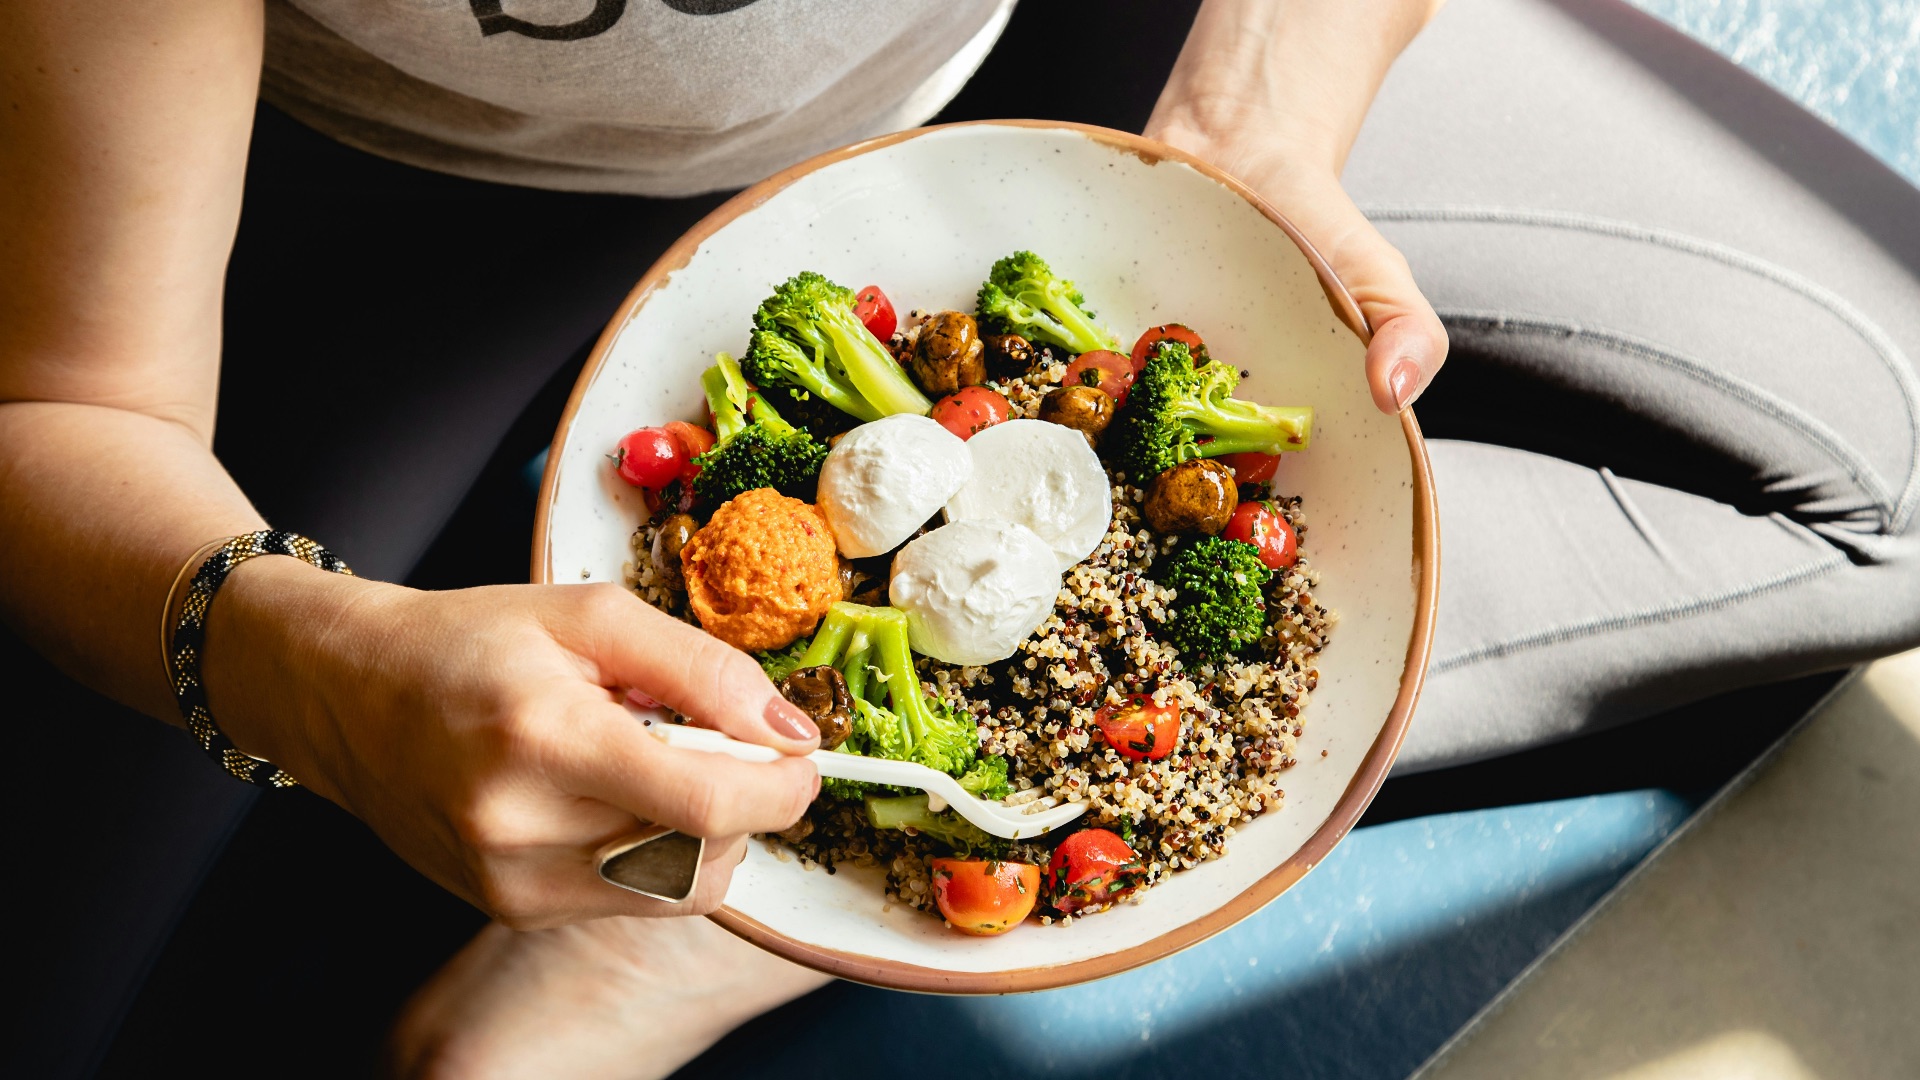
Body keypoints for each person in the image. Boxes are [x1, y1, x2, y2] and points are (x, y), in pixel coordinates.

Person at [5, 0, 1918, 1076]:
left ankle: (717, 935)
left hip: (1081, 35)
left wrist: (1261, 112)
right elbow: (64, 414)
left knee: (1884, 478)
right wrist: (322, 675)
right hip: (418, 189)